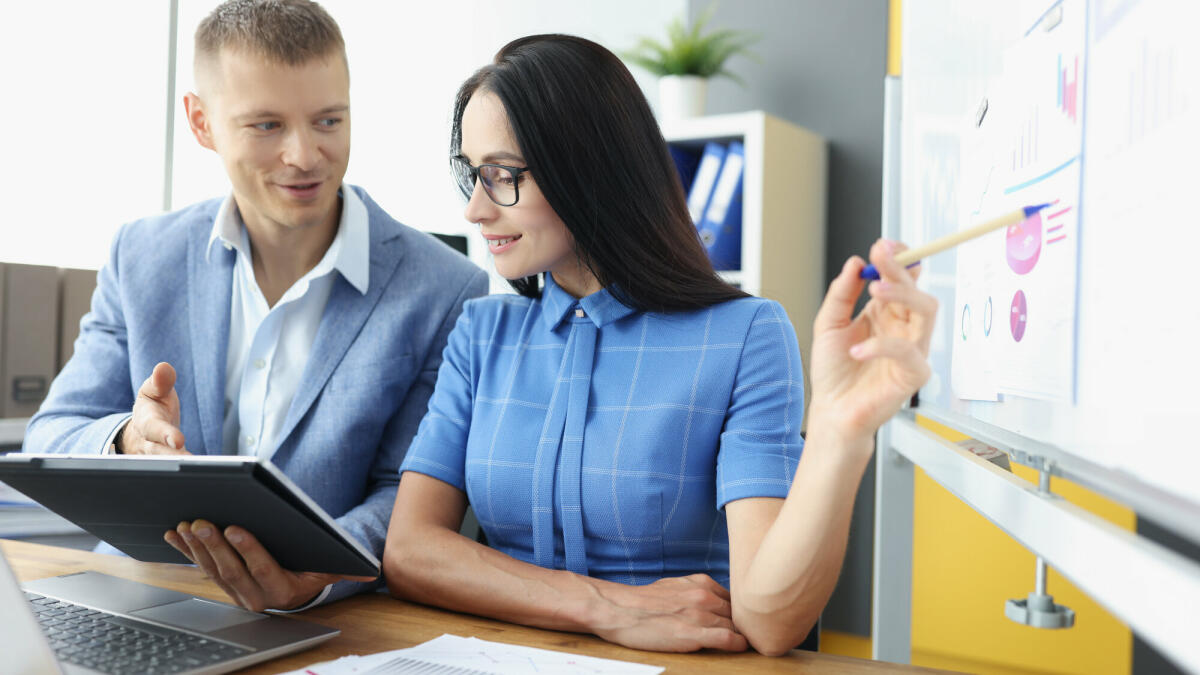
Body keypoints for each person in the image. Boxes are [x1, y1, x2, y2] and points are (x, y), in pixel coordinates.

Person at [382, 34, 935, 656]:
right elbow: (409, 551)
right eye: (473, 174)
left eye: (503, 175)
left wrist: (839, 431)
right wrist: (603, 607)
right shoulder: (481, 334)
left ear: (587, 170)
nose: (476, 210)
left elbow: (773, 623)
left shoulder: (746, 334)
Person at [23, 0, 488, 611]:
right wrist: (130, 441)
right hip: (138, 598)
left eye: (328, 121)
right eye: (266, 125)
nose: (304, 155)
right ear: (201, 122)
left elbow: (408, 498)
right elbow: (52, 433)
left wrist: (317, 573)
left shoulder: (446, 288)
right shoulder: (141, 255)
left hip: (324, 622)